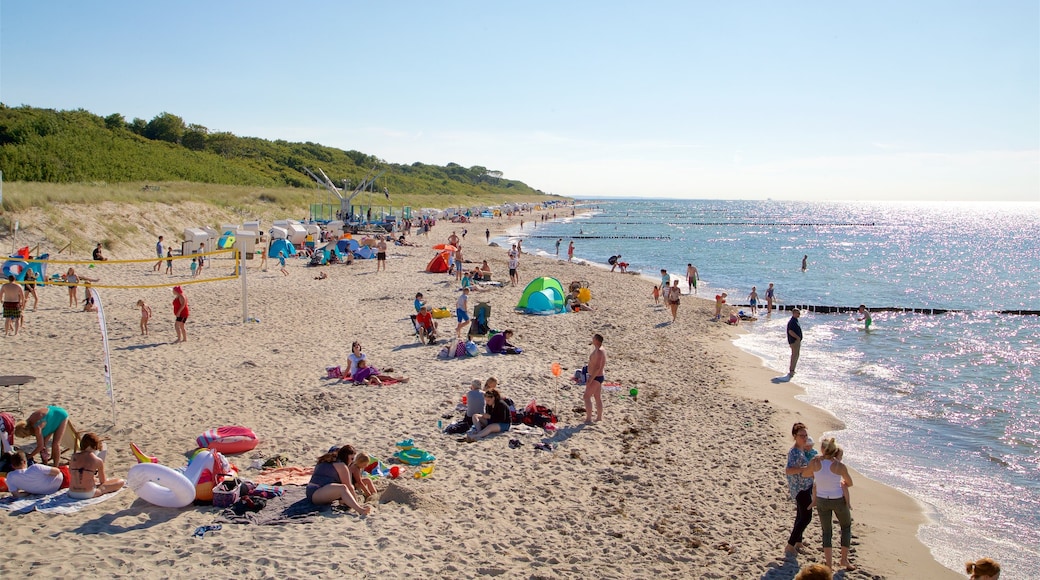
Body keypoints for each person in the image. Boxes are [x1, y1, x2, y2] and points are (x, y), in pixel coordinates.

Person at [809, 437, 855, 571]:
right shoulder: (839, 466)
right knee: (846, 527)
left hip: (822, 499)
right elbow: (850, 483)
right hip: (838, 499)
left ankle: (829, 565)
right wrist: (842, 484)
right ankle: (844, 560)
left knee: (827, 531)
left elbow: (807, 474)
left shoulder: (816, 462)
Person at [305, 445, 371, 515]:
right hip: (316, 494)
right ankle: (360, 510)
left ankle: (347, 502)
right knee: (343, 488)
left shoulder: (328, 460)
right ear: (346, 457)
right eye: (351, 459)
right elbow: (349, 487)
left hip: (311, 491)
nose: (352, 462)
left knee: (342, 490)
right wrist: (356, 503)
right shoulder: (341, 465)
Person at [784, 422, 815, 558]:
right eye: (801, 435)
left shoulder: (803, 449)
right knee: (807, 517)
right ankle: (790, 545)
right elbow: (788, 470)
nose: (804, 437)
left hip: (806, 486)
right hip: (800, 488)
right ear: (795, 436)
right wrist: (803, 470)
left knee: (800, 515)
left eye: (805, 435)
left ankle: (798, 542)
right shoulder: (794, 452)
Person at [68, 432, 124, 499]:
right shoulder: (97, 460)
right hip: (88, 493)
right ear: (95, 446)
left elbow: (71, 473)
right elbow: (102, 481)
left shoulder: (73, 457)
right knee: (120, 481)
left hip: (72, 492)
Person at [584, 333, 606, 424]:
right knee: (597, 397)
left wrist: (591, 379)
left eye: (593, 338)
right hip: (598, 376)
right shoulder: (599, 349)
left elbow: (597, 367)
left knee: (586, 396)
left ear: (596, 340)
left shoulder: (599, 351)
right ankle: (599, 418)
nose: (592, 339)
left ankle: (589, 419)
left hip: (596, 377)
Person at [787, 309, 803, 377]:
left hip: (796, 341)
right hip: (794, 341)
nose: (799, 314)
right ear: (793, 313)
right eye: (797, 313)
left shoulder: (795, 320)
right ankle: (791, 370)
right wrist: (797, 337)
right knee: (794, 355)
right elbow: (790, 331)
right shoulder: (792, 321)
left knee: (796, 355)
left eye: (799, 313)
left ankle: (793, 369)